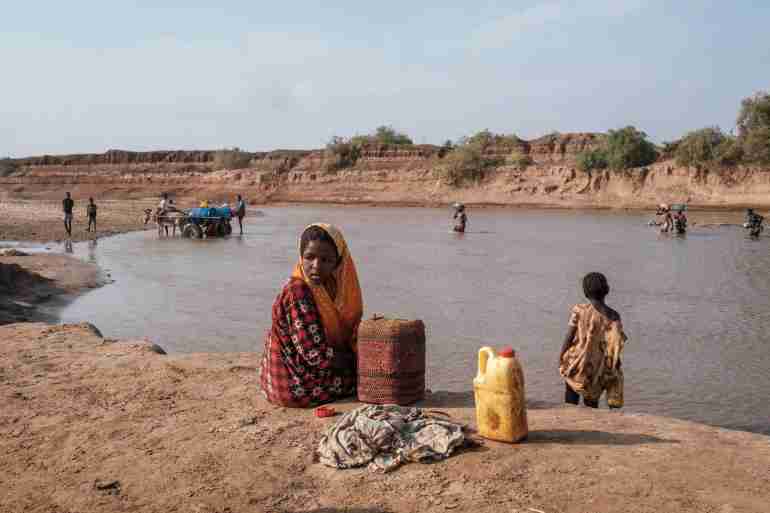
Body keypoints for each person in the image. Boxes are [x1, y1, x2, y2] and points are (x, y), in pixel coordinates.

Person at [259, 224, 363, 407]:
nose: (316, 266)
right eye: (309, 257)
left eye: (326, 260)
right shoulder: (297, 291)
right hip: (291, 383)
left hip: (303, 369)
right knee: (365, 380)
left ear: (338, 262)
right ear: (301, 257)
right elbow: (314, 354)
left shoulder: (332, 286)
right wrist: (355, 360)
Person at [559, 272, 627, 409]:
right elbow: (615, 346)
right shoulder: (614, 316)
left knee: (571, 397)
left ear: (585, 291)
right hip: (597, 368)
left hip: (576, 362)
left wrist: (561, 355)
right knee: (591, 402)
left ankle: (570, 422)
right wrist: (615, 369)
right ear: (606, 291)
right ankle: (591, 425)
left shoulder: (579, 310)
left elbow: (569, 336)